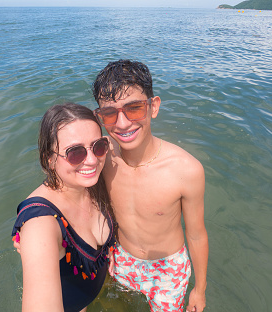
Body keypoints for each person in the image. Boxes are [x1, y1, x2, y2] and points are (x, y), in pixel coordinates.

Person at [92, 60, 209, 312]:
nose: (122, 124)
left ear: (153, 106)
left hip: (168, 269)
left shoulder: (186, 170)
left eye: (133, 108)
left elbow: (196, 234)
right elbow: (63, 180)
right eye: (110, 113)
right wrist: (35, 218)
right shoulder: (101, 157)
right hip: (121, 258)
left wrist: (199, 290)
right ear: (99, 117)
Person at [11, 103, 115, 312]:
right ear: (49, 159)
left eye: (98, 146)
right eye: (75, 153)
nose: (92, 160)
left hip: (98, 287)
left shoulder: (92, 181)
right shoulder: (41, 224)